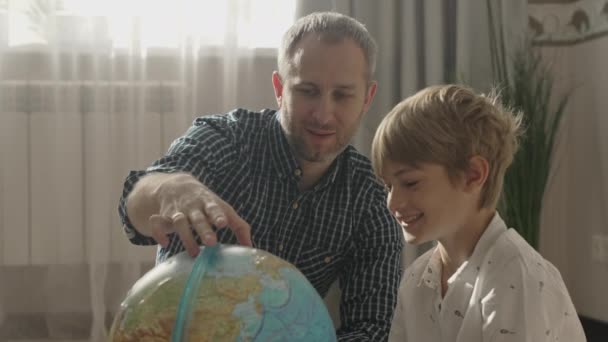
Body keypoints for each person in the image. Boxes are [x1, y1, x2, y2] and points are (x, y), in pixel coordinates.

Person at [118, 11, 403, 340]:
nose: (324, 114)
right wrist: (170, 187)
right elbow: (134, 208)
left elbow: (372, 329)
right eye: (307, 91)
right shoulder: (227, 138)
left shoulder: (371, 200)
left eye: (342, 95)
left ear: (367, 98)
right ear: (280, 88)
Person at [371, 84, 586, 341]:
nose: (392, 203)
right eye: (388, 186)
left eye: (410, 183)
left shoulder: (516, 278)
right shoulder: (416, 280)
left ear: (473, 175)